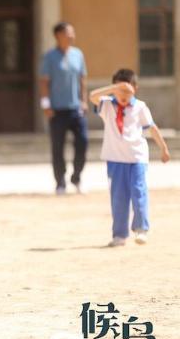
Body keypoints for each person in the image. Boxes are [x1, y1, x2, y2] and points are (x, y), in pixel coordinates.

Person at [89, 69, 170, 247]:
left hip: (137, 157)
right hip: (115, 158)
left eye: (128, 89)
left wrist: (163, 148)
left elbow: (152, 128)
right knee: (118, 197)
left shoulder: (140, 106)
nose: (124, 94)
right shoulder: (107, 105)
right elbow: (92, 96)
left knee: (138, 191)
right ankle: (119, 234)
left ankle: (141, 229)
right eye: (120, 90)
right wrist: (114, 88)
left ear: (135, 89)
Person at [40, 22, 89, 195]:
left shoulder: (78, 55)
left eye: (72, 32)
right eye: (69, 33)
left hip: (76, 108)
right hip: (57, 110)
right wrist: (45, 104)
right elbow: (44, 82)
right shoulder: (50, 57)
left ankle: (76, 177)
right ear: (58, 35)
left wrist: (84, 101)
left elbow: (82, 79)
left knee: (83, 142)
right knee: (58, 147)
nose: (72, 36)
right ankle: (60, 182)